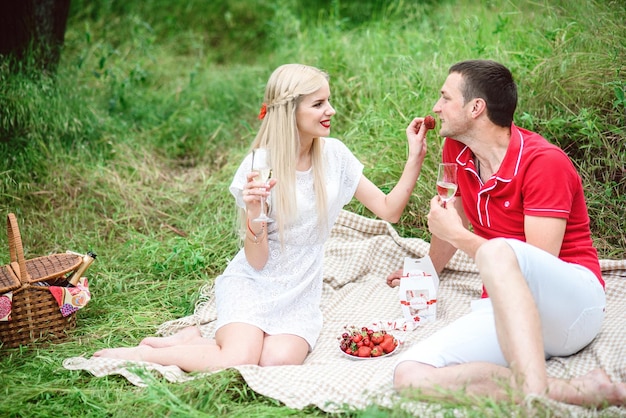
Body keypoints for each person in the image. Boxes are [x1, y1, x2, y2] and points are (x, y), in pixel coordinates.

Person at [93, 63, 429, 372]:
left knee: (276, 361)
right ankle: (144, 355)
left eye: (328, 101)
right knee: (239, 358)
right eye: (318, 104)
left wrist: (415, 157)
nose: (331, 110)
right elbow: (256, 260)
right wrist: (254, 212)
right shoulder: (259, 165)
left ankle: (199, 341)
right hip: (253, 283)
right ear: (289, 111)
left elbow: (390, 210)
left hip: (301, 291)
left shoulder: (335, 156)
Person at [386, 59, 626, 407]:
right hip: (504, 309)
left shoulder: (544, 163)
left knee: (501, 251)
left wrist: (459, 235)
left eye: (445, 98)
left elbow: (533, 265)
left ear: (476, 108)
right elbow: (453, 213)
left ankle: (533, 403)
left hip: (571, 306)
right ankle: (569, 392)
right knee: (409, 374)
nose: (436, 107)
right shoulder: (457, 149)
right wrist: (428, 269)